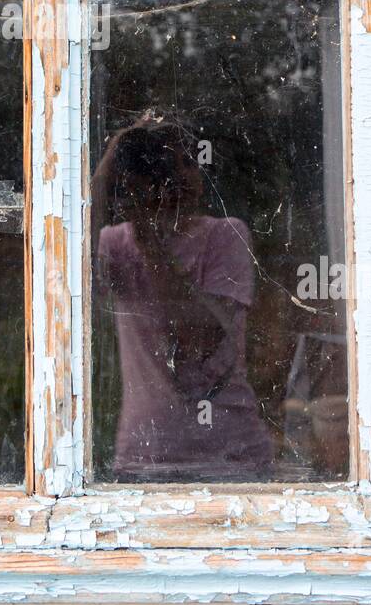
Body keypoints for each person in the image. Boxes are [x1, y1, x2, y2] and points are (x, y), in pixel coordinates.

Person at [92, 118, 274, 481]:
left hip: (230, 453)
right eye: (165, 166)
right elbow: (60, 254)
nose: (183, 176)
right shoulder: (114, 243)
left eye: (190, 162)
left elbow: (198, 340)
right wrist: (111, 163)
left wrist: (148, 237)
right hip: (146, 454)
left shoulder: (226, 235)